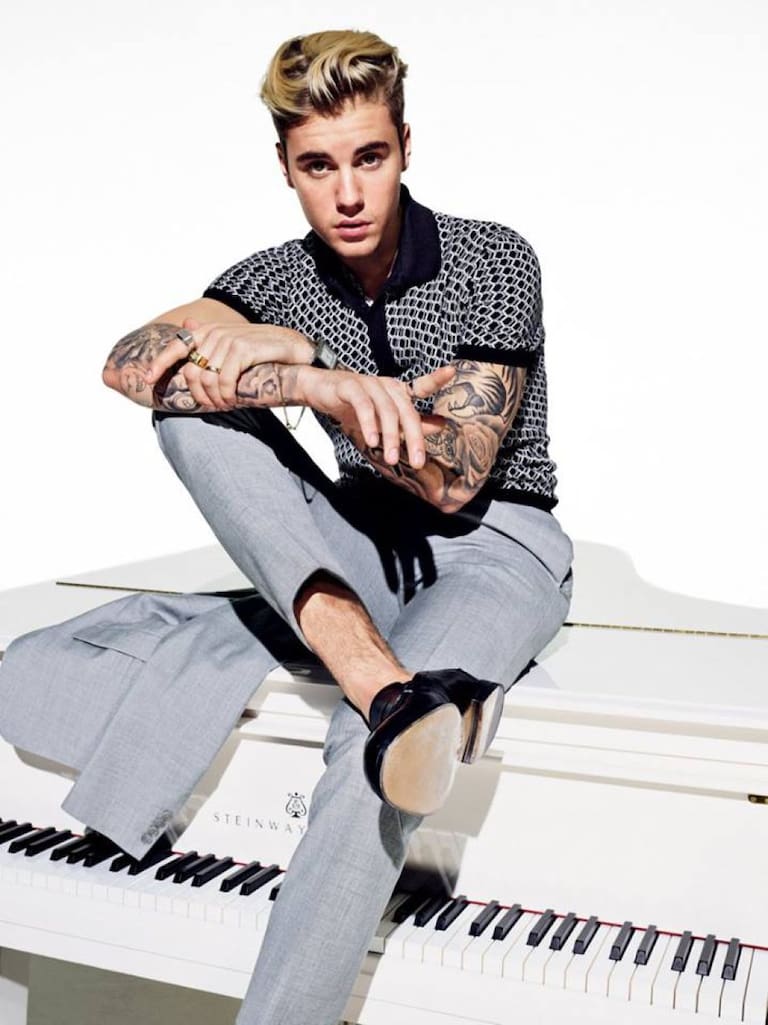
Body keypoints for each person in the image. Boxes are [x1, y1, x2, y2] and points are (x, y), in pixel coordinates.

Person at [98, 27, 573, 1024]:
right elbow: (132, 365)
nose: (349, 193)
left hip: (497, 549)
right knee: (190, 418)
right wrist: (308, 378)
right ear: (286, 167)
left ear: (405, 148)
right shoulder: (274, 276)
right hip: (362, 547)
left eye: (370, 157)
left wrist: (327, 380)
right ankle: (380, 682)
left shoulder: (492, 257)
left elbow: (457, 477)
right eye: (319, 166)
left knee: (376, 760)